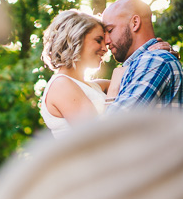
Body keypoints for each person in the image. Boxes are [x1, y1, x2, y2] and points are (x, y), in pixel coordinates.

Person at [39, 10, 175, 138]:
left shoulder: (94, 87)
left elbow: (140, 77)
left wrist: (157, 53)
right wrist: (114, 87)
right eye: (98, 40)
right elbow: (99, 139)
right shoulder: (60, 85)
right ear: (75, 38)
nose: (105, 49)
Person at [102, 0, 183, 112]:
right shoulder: (141, 64)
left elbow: (112, 125)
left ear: (135, 23)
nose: (106, 41)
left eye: (110, 30)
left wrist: (113, 88)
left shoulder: (155, 60)